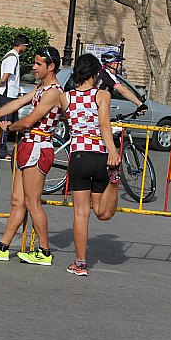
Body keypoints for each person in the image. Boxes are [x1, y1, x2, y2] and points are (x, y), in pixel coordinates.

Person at [0, 46, 63, 266]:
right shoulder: (42, 88)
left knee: (32, 203)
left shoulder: (53, 92)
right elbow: (16, 103)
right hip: (28, 145)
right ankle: (3, 247)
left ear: (51, 67)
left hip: (39, 146)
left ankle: (44, 251)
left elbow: (30, 120)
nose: (34, 66)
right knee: (17, 201)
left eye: (39, 64)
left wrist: (9, 127)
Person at [58, 53, 121, 276]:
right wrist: (113, 151)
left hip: (79, 156)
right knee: (102, 213)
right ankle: (114, 184)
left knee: (81, 213)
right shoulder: (102, 95)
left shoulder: (66, 97)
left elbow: (59, 117)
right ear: (95, 74)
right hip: (100, 155)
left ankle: (81, 263)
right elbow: (104, 124)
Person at [0, 34, 29, 161]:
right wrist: (0, 86)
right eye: (26, 46)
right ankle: (0, 149)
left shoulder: (11, 56)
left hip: (10, 94)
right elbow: (6, 76)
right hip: (8, 94)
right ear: (21, 45)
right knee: (5, 122)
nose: (26, 49)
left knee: (12, 121)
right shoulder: (12, 58)